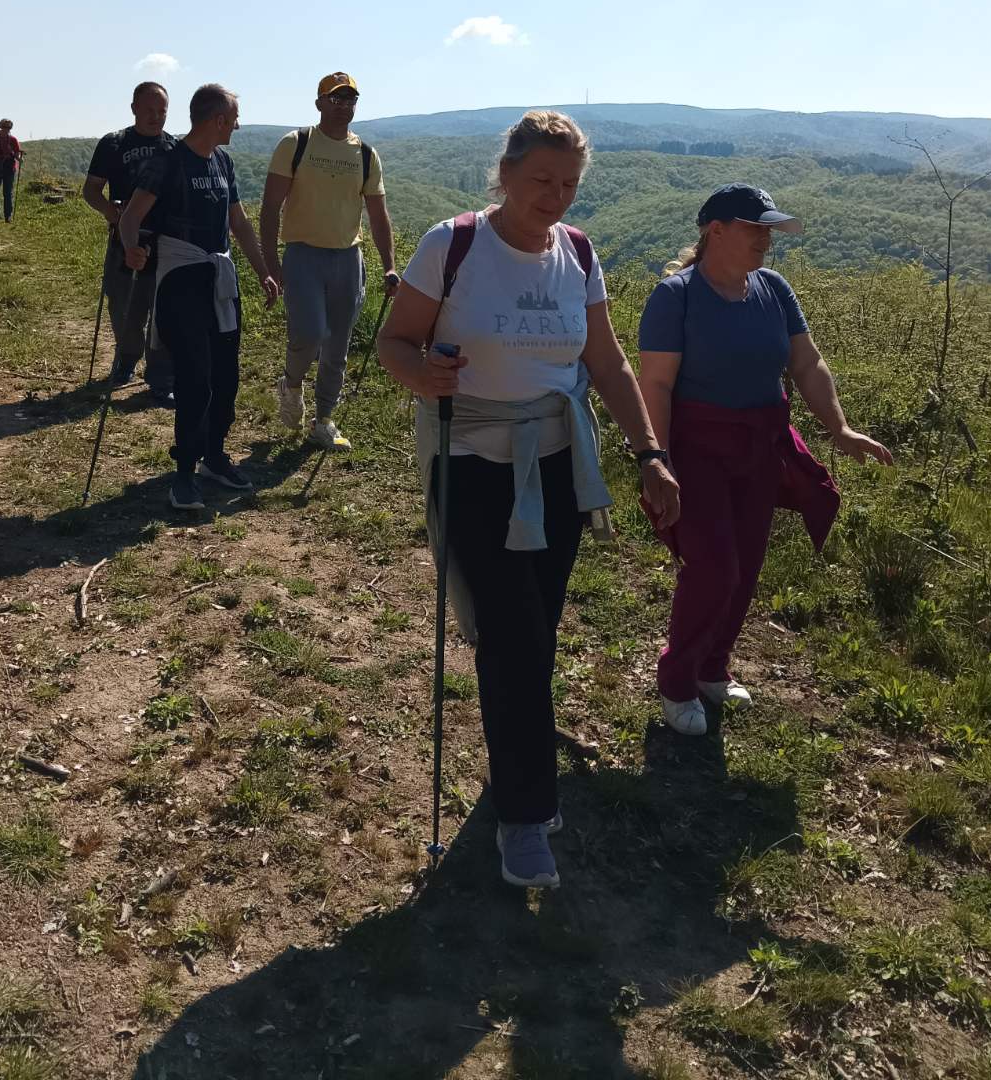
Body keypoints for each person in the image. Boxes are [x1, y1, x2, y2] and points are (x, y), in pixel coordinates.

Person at [378, 111, 679, 890]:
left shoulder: (577, 252)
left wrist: (648, 453)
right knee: (513, 636)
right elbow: (393, 341)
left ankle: (513, 765)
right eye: (541, 178)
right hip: (472, 463)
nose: (555, 195)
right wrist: (421, 374)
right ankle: (524, 814)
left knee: (534, 630)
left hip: (555, 466)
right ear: (505, 173)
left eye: (569, 183)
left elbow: (607, 364)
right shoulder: (452, 245)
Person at [637, 183, 893, 737]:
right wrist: (657, 458)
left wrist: (840, 429)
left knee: (747, 564)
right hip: (697, 448)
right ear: (716, 231)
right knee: (714, 567)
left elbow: (808, 364)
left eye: (769, 230)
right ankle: (677, 679)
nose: (766, 240)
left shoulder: (773, 289)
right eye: (756, 229)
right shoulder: (676, 297)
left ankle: (712, 667)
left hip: (759, 446)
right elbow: (654, 384)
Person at [119, 84, 280, 511]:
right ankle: (185, 473)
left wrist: (263, 271)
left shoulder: (223, 161)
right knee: (195, 377)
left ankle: (214, 455)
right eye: (234, 119)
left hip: (218, 281)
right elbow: (131, 216)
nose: (238, 126)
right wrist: (132, 249)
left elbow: (238, 223)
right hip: (182, 279)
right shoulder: (168, 160)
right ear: (218, 120)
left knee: (226, 375)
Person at [260, 72, 399, 453]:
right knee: (308, 334)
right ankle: (291, 384)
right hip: (303, 255)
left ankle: (323, 420)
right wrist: (270, 262)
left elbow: (378, 215)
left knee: (337, 345)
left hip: (348, 258)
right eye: (336, 99)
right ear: (319, 103)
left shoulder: (366, 155)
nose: (343, 106)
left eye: (350, 99)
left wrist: (389, 264)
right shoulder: (296, 143)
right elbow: (270, 207)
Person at [83, 82, 176, 404]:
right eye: (149, 110)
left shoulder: (174, 148)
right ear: (134, 108)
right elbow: (91, 190)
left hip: (164, 242)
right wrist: (111, 212)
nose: (156, 117)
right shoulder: (114, 143)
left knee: (163, 311)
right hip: (124, 239)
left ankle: (161, 376)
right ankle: (126, 359)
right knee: (124, 307)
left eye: (162, 111)